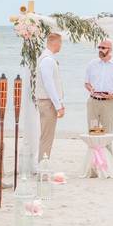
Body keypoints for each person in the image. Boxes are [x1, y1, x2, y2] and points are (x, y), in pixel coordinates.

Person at [84, 39, 113, 153]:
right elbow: (86, 83)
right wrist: (90, 88)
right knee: (94, 133)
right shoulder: (92, 64)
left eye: (103, 48)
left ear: (110, 50)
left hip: (108, 103)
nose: (100, 50)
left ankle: (107, 165)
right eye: (99, 47)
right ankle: (95, 164)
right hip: (93, 102)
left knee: (107, 134)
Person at [36, 32, 64, 162]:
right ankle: (42, 166)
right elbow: (49, 84)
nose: (61, 46)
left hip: (48, 102)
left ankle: (43, 164)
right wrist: (58, 105)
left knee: (47, 136)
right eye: (60, 43)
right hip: (48, 103)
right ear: (55, 43)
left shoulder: (48, 58)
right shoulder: (47, 60)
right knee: (47, 136)